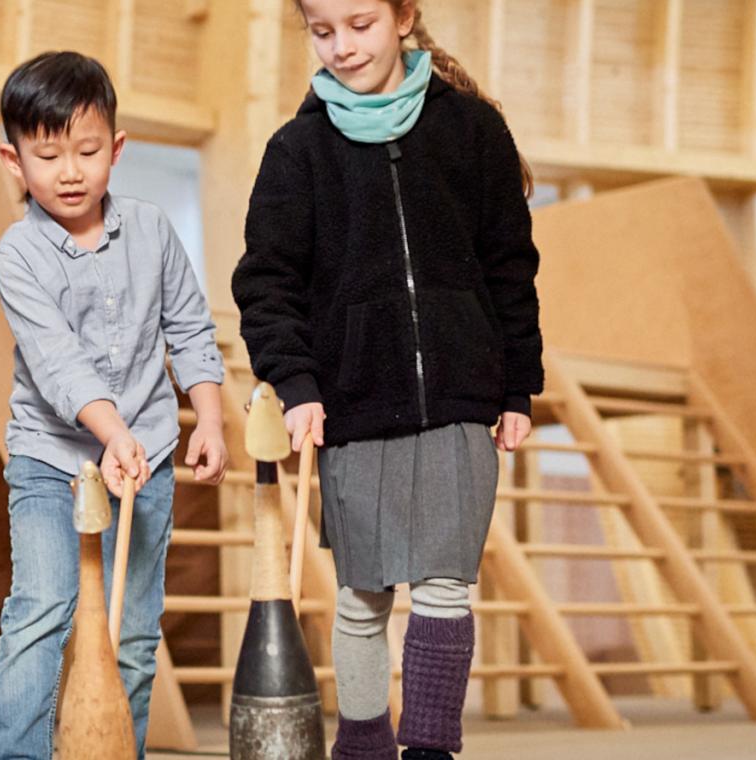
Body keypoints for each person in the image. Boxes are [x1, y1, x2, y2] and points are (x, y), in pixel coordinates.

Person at [232, 1, 543, 757]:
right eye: (323, 30)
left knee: (442, 588)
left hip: (461, 399)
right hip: (351, 405)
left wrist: (515, 387)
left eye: (361, 24)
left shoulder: (473, 132)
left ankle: (430, 749)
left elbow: (510, 267)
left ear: (404, 17)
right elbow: (267, 285)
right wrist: (299, 384)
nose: (342, 46)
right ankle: (364, 745)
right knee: (363, 595)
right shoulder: (295, 150)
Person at [0, 51, 228, 760]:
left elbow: (188, 328)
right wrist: (111, 431)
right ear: (13, 158)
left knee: (134, 633)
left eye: (87, 151)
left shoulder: (152, 229)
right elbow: (57, 362)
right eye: (48, 154)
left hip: (146, 457)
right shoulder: (16, 255)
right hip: (50, 461)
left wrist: (207, 417)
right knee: (41, 614)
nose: (69, 171)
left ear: (116, 149)